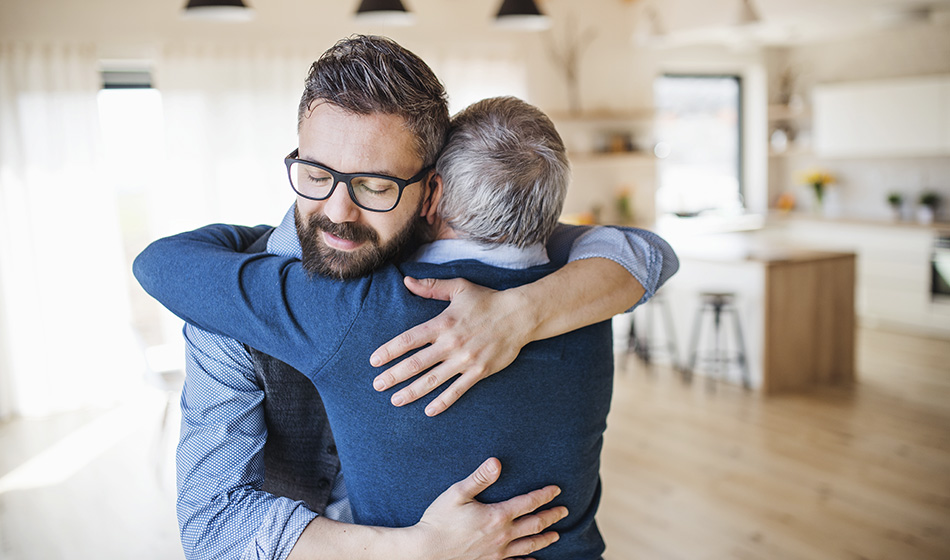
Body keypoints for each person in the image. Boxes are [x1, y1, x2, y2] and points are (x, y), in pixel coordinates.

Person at [143, 35, 678, 560]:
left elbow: (640, 251)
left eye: (374, 186)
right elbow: (215, 529)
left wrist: (521, 313)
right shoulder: (229, 300)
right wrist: (418, 549)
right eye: (315, 174)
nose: (338, 213)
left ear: (431, 190)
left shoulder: (540, 273)